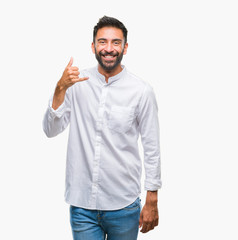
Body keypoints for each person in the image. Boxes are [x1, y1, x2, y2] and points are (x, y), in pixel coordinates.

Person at [43, 16, 161, 240]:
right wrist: (60, 88)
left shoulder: (141, 91)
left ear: (125, 47)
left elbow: (151, 146)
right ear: (93, 46)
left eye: (116, 42)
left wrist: (152, 198)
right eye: (102, 42)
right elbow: (50, 130)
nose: (109, 49)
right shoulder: (75, 84)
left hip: (124, 205)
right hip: (82, 206)